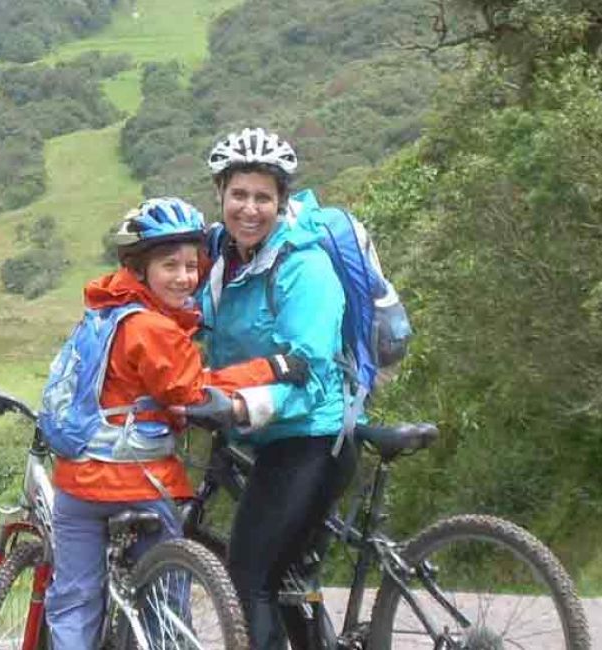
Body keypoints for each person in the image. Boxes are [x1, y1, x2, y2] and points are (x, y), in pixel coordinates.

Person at [45, 197, 307, 650]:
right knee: (165, 603)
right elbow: (193, 393)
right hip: (140, 482)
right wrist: (271, 369)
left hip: (76, 486)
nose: (185, 277)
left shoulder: (103, 313)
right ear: (141, 269)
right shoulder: (153, 329)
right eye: (171, 265)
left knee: (74, 600)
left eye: (192, 264)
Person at [196, 127, 360, 650]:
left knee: (250, 578)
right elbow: (186, 324)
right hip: (273, 438)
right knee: (286, 583)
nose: (249, 208)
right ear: (219, 195)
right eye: (239, 194)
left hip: (312, 438)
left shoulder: (304, 268)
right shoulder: (223, 261)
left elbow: (307, 370)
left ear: (282, 201)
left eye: (263, 197)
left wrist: (247, 403)